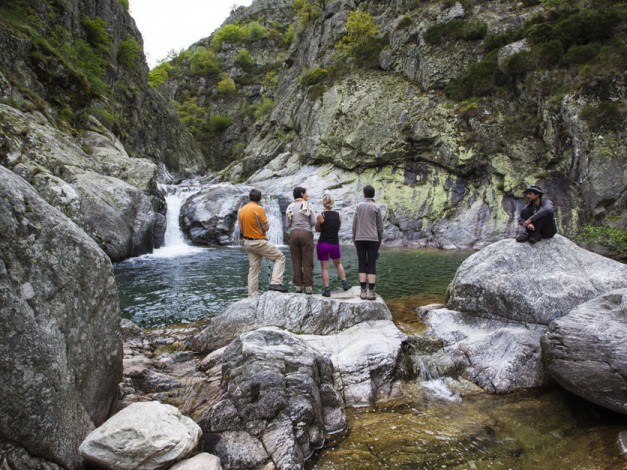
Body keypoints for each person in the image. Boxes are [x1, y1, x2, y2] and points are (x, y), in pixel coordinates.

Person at [238, 188, 287, 296]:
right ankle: (275, 283)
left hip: (248, 242)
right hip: (259, 242)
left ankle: (253, 295)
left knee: (253, 269)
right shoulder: (259, 209)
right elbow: (266, 227)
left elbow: (241, 229)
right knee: (280, 258)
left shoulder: (242, 209)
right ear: (260, 198)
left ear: (249, 197)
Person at [315, 194, 351, 297]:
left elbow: (317, 229)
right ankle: (345, 284)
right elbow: (337, 228)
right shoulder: (338, 215)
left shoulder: (321, 215)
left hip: (323, 244)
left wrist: (323, 227)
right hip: (334, 244)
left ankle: (327, 290)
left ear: (323, 203)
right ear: (333, 202)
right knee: (338, 264)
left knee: (325, 268)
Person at [352, 185, 384, 300]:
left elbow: (354, 225)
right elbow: (380, 227)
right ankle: (371, 292)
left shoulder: (359, 206)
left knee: (361, 263)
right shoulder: (376, 207)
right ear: (373, 195)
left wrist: (354, 238)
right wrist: (379, 240)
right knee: (371, 264)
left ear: (364, 194)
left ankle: (363, 291)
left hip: (359, 238)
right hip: (373, 239)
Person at [286, 186, 316, 294]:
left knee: (296, 260)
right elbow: (313, 222)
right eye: (306, 193)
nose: (307, 195)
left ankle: (298, 286)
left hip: (294, 234)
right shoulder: (308, 205)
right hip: (306, 233)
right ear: (302, 194)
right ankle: (308, 286)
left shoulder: (290, 206)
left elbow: (288, 224)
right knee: (307, 260)